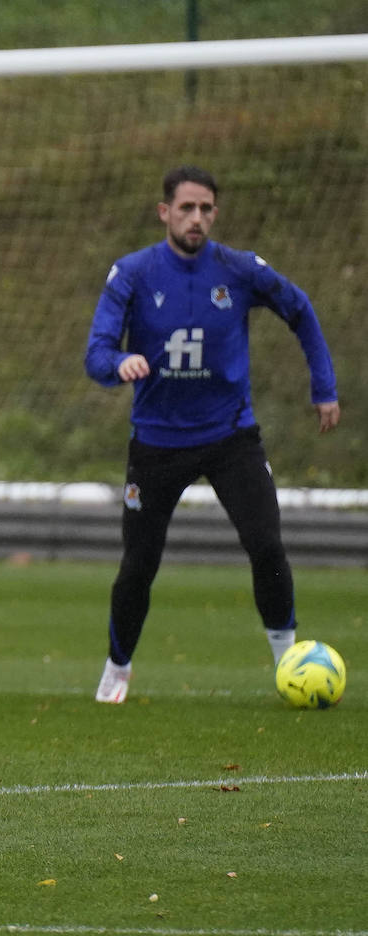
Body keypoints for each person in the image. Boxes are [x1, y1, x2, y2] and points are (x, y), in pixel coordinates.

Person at [85, 164, 339, 703]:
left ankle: (289, 660)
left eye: (205, 209)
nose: (196, 218)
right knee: (138, 566)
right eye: (186, 208)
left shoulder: (240, 269)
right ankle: (118, 667)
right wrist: (120, 361)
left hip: (230, 437)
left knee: (267, 545)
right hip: (156, 442)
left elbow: (301, 310)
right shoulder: (132, 274)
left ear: (215, 214)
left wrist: (325, 386)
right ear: (165, 213)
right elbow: (96, 354)